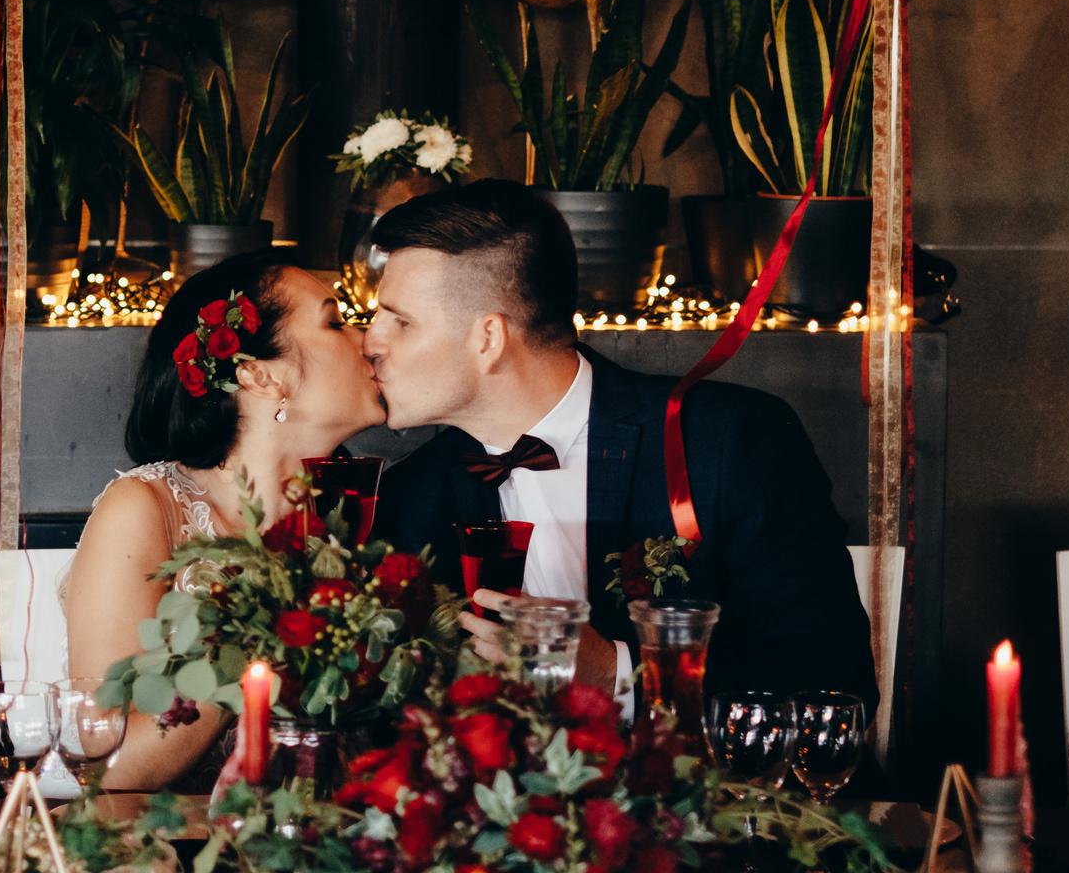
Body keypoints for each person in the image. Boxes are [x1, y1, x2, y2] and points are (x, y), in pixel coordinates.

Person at [364, 179, 876, 711]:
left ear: (488, 339)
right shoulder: (407, 498)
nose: (371, 342)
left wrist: (616, 673)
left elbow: (838, 685)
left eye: (399, 321)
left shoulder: (729, 441)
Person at [64, 250, 385, 789]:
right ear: (260, 376)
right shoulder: (145, 509)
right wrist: (256, 628)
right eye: (336, 321)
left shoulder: (354, 514)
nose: (369, 339)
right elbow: (108, 765)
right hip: (177, 851)